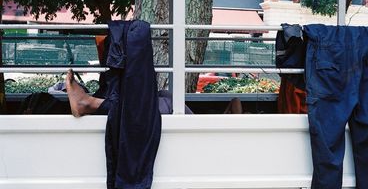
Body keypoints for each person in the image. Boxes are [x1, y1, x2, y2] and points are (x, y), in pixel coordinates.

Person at [65, 69, 244, 117]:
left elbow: (236, 103)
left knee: (162, 103)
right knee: (164, 94)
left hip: (198, 131)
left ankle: (90, 103)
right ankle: (92, 102)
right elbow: (236, 101)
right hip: (203, 126)